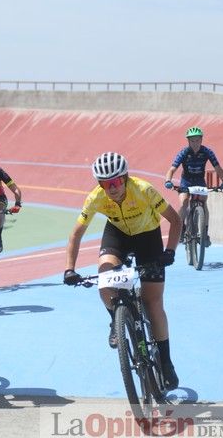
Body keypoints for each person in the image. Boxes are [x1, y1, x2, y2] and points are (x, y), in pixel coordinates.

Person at [63, 152, 182, 390]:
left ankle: (166, 363)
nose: (112, 188)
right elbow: (76, 233)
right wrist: (70, 269)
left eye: (116, 182)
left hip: (148, 237)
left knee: (153, 302)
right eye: (106, 184)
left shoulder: (144, 189)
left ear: (125, 178)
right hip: (117, 234)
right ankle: (116, 319)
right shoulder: (96, 198)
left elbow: (176, 220)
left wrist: (169, 252)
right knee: (105, 283)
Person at [164, 126, 223, 247]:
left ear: (201, 140)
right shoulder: (184, 152)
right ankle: (181, 229)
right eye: (192, 141)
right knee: (184, 203)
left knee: (204, 204)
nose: (195, 143)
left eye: (197, 140)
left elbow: (218, 168)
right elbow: (172, 169)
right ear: (188, 141)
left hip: (199, 181)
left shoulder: (207, 152)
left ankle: (205, 233)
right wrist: (168, 180)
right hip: (186, 181)